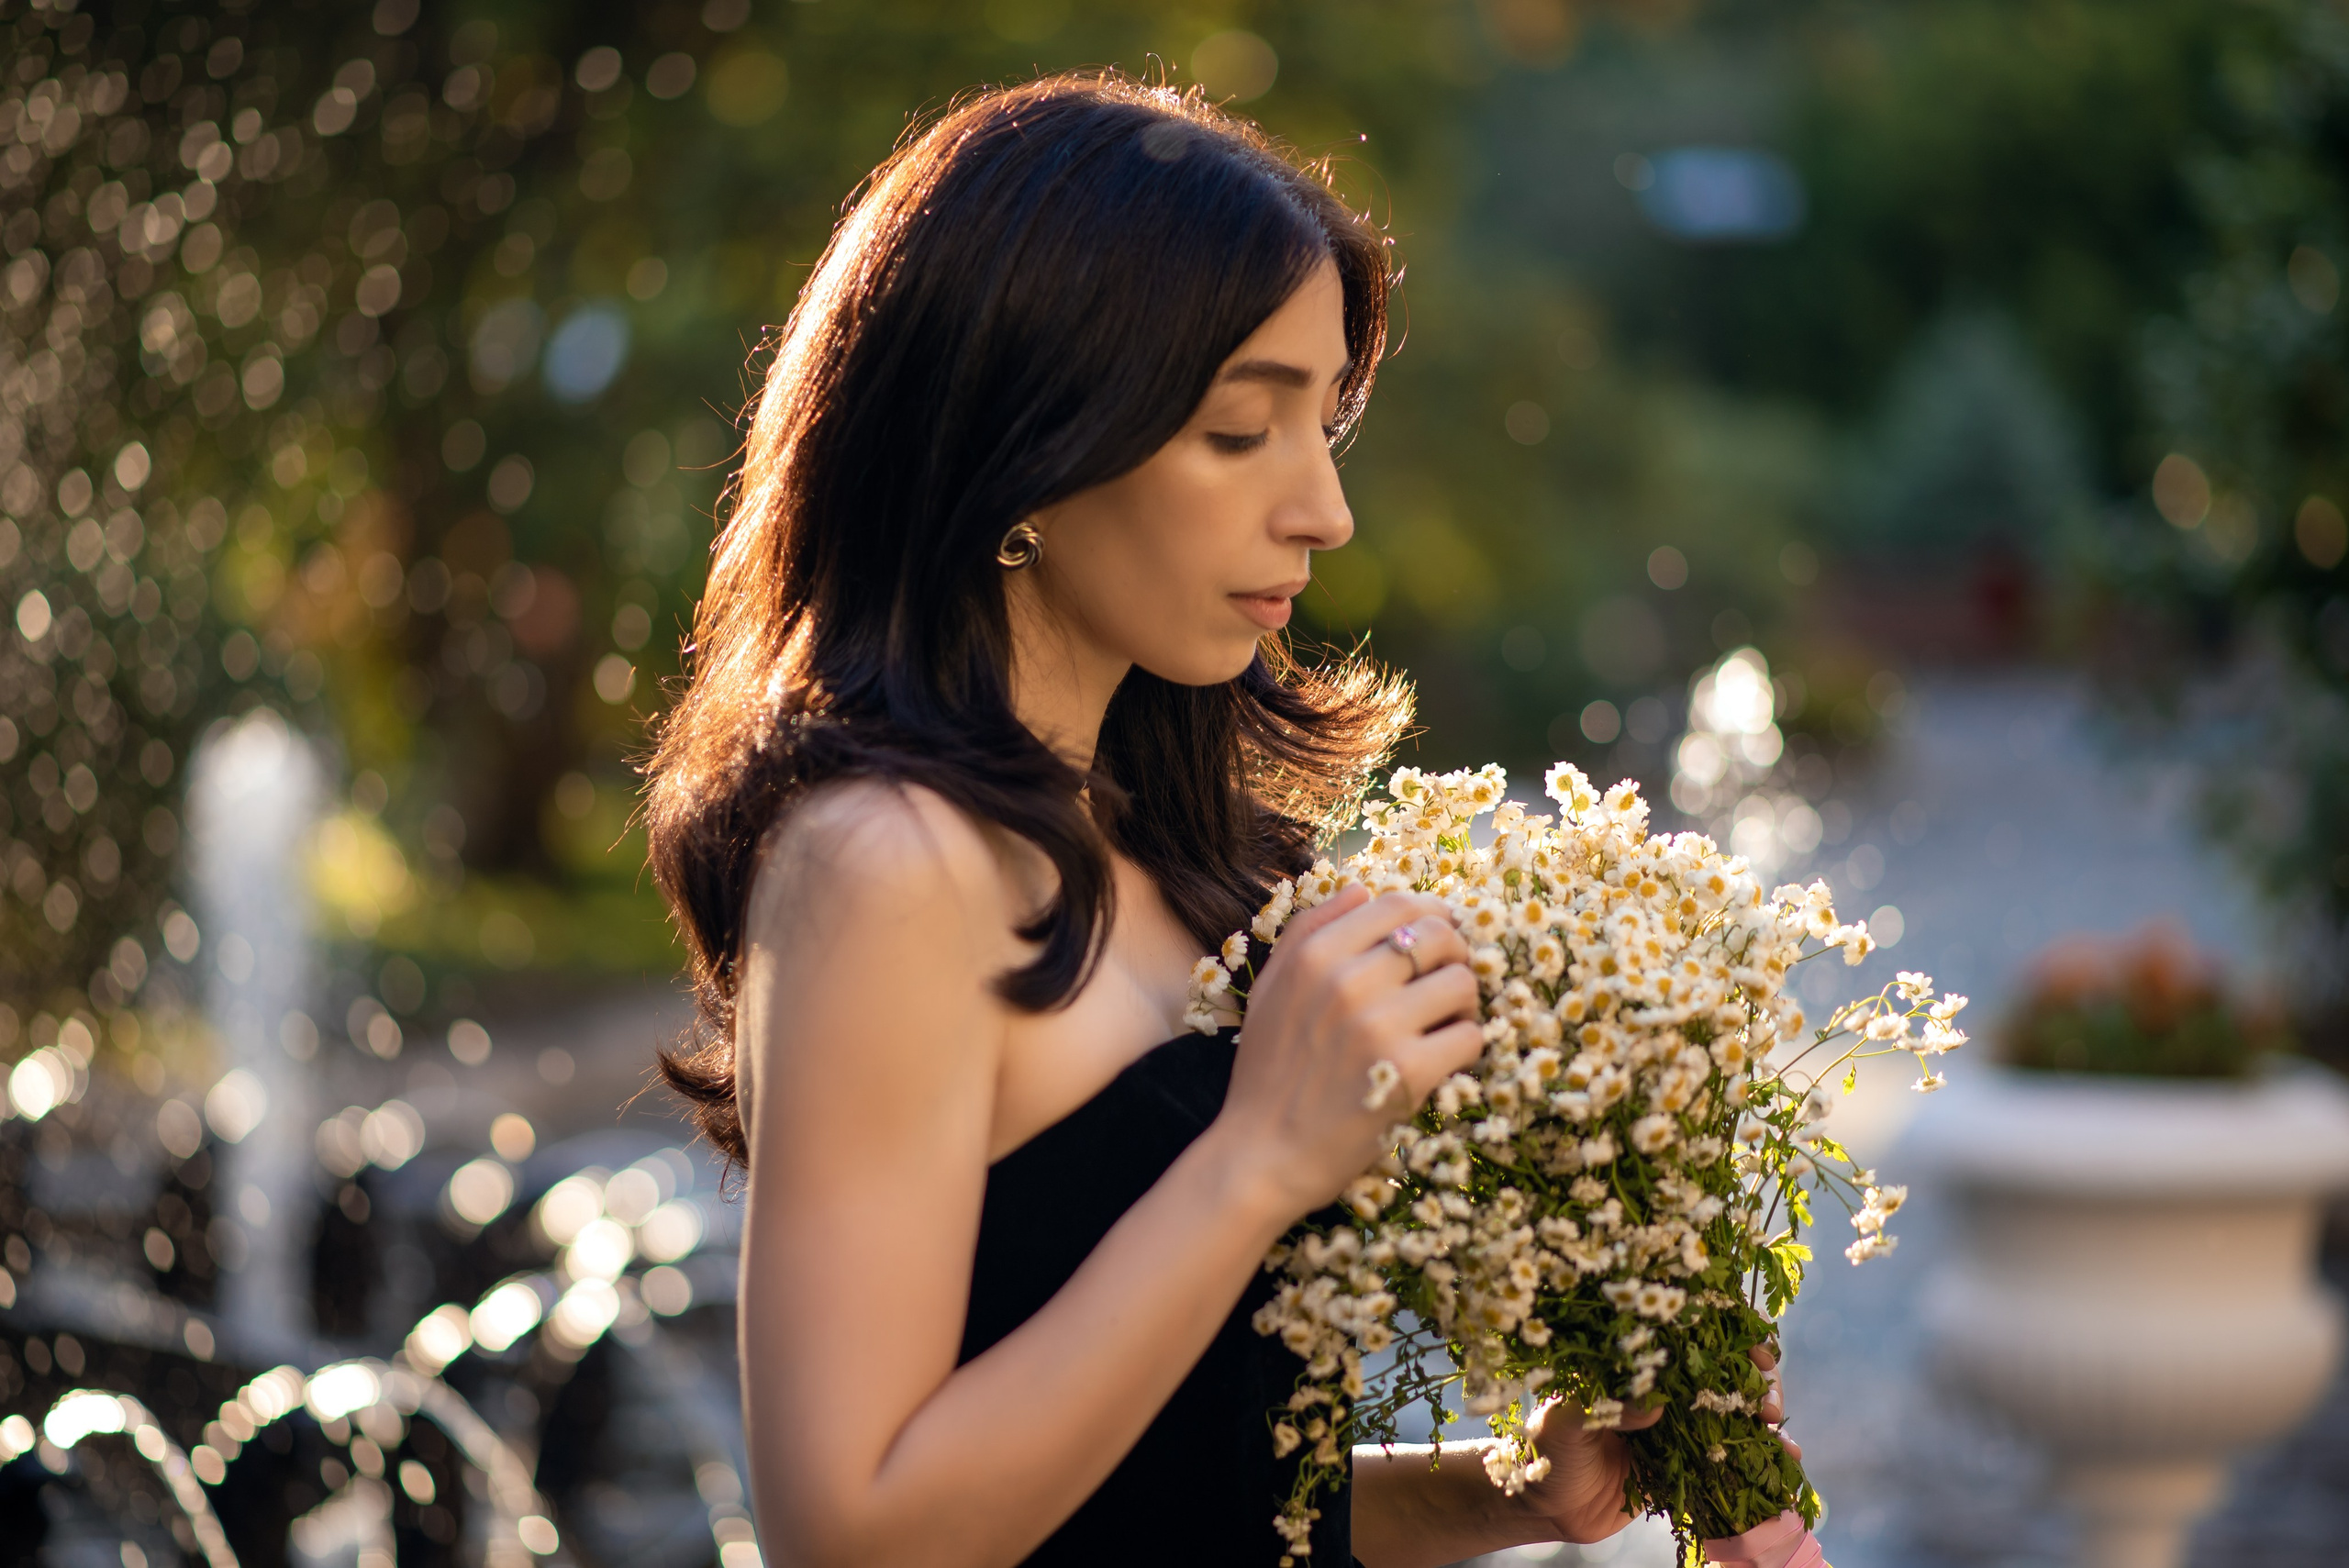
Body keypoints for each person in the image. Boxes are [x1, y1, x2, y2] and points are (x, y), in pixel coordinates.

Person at [644, 71, 1798, 1568]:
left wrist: (1523, 1490)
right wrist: (1255, 1159)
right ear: (1030, 445)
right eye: (1242, 432)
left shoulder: (1172, 846)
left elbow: (1189, 1491)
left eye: (1326, 424)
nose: (1325, 508)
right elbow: (852, 1532)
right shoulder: (886, 863)